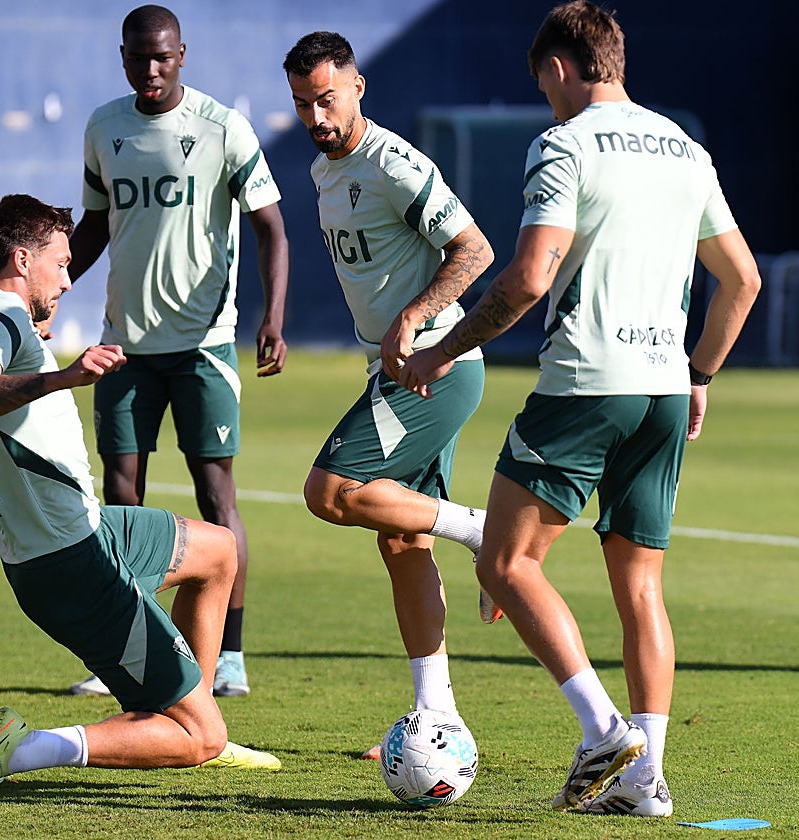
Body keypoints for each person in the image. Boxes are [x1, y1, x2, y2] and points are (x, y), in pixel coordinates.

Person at [400, 0, 761, 817]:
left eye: (544, 85)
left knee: (502, 561)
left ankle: (604, 732)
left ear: (559, 68)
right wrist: (699, 373)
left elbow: (528, 279)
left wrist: (437, 350)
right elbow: (742, 282)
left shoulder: (562, 145)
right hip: (666, 388)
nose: (545, 101)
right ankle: (646, 781)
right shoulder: (685, 147)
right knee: (640, 586)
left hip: (586, 384)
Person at [0, 194, 280, 800]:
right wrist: (64, 375)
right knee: (199, 737)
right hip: (70, 562)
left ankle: (188, 716)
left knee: (218, 551)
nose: (69, 281)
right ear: (23, 260)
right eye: (62, 263)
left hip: (89, 530)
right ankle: (31, 747)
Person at [62, 4, 289, 699]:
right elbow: (96, 226)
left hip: (204, 346)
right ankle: (130, 651)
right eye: (138, 57)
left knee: (215, 496)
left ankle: (228, 657)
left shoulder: (223, 128)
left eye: (163, 56)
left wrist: (272, 318)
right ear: (122, 56)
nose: (151, 69)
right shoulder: (104, 128)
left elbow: (272, 229)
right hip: (123, 346)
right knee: (120, 499)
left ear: (182, 54)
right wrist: (46, 290)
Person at [283, 31, 495, 759]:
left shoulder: (393, 161)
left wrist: (413, 318)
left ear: (358, 87)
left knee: (329, 490)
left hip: (435, 365)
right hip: (396, 370)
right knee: (402, 539)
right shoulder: (322, 170)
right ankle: (437, 718)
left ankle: (478, 529)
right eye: (303, 103)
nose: (316, 114)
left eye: (326, 98)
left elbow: (476, 250)